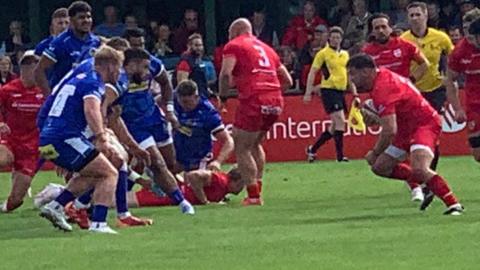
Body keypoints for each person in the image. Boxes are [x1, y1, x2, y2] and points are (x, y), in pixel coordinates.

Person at [347, 53, 464, 215]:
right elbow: (392, 117)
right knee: (380, 167)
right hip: (406, 127)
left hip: (424, 124)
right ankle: (428, 183)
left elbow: (389, 130)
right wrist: (375, 117)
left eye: (353, 74)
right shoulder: (381, 77)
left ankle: (454, 205)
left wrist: (375, 152)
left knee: (420, 168)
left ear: (366, 72)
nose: (351, 79)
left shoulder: (383, 87)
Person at [38, 46, 124, 234]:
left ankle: (56, 206)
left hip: (48, 138)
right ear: (110, 66)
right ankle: (99, 223)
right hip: (65, 137)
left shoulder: (80, 79)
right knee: (110, 173)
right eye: (119, 67)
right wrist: (101, 137)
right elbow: (91, 109)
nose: (120, 72)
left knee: (93, 173)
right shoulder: (94, 82)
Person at [219, 18, 293, 206]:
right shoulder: (267, 49)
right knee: (255, 144)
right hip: (275, 100)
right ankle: (257, 188)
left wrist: (223, 97)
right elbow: (288, 81)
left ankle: (253, 195)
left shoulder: (233, 45)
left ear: (235, 32)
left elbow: (226, 74)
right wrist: (271, 90)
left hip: (254, 98)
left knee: (241, 146)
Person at [116, 42, 195, 214]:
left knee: (170, 162)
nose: (146, 72)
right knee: (158, 164)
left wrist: (169, 110)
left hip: (154, 118)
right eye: (143, 67)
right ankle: (182, 203)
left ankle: (152, 173)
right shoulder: (117, 76)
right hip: (134, 125)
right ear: (132, 63)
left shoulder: (153, 64)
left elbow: (166, 83)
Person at [401, 2, 454, 171]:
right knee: (413, 133)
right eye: (412, 15)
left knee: (432, 131)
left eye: (418, 14)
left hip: (436, 89)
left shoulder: (440, 37)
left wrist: (449, 77)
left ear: (426, 15)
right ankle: (419, 173)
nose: (415, 18)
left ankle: (430, 171)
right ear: (408, 19)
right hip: (413, 92)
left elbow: (454, 58)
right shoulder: (403, 40)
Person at [304, 27, 359, 163]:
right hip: (329, 90)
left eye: (337, 37)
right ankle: (340, 156)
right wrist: (308, 91)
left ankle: (312, 149)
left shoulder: (345, 54)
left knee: (334, 127)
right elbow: (313, 72)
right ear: (329, 38)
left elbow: (349, 75)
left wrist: (354, 92)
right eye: (333, 37)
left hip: (341, 90)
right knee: (340, 120)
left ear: (341, 39)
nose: (335, 40)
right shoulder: (323, 54)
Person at [0, 52, 44, 213]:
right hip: (10, 139)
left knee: (16, 201)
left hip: (31, 147)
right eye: (30, 67)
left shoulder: (45, 91)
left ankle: (4, 207)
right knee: (4, 159)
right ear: (23, 69)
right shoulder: (8, 90)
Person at [34, 1, 100, 95]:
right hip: (65, 95)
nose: (86, 20)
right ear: (72, 20)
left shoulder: (96, 41)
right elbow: (39, 71)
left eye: (88, 17)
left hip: (88, 95)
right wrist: (49, 97)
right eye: (81, 17)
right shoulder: (61, 42)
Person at [174, 80, 233, 172]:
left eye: (187, 102)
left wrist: (218, 162)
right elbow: (160, 99)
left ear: (196, 97)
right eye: (181, 102)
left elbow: (228, 141)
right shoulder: (175, 100)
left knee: (194, 178)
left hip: (199, 158)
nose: (183, 106)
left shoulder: (207, 113)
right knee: (159, 173)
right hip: (178, 156)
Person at [446, 14, 480, 167]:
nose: (470, 38)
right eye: (466, 31)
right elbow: (450, 79)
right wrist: (457, 108)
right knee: (477, 153)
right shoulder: (460, 52)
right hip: (474, 105)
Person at [362, 13, 429, 83]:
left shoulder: (405, 45)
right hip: (381, 91)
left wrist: (410, 80)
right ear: (372, 32)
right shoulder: (367, 52)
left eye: (384, 27)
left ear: (390, 29)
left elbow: (424, 64)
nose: (381, 31)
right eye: (377, 28)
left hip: (402, 91)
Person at [131, 167, 244, 207]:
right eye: (242, 184)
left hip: (175, 194)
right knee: (116, 202)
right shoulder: (221, 181)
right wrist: (204, 201)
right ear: (236, 181)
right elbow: (194, 175)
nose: (242, 188)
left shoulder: (223, 187)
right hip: (168, 197)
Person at [175, 33, 212, 98]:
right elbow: (182, 84)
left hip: (203, 96)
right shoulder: (185, 61)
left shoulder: (198, 59)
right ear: (189, 46)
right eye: (196, 45)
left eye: (201, 45)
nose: (199, 48)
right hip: (193, 99)